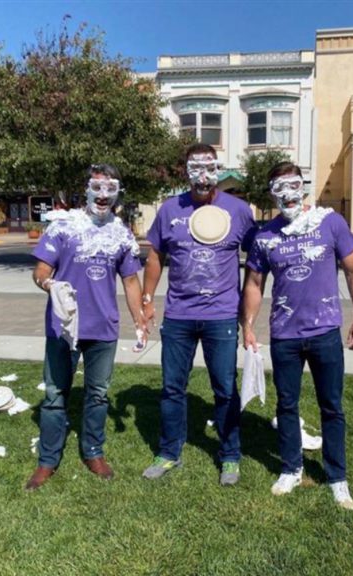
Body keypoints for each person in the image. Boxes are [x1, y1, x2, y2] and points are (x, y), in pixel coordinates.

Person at [241, 161, 353, 508]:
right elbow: (253, 283)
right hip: (285, 335)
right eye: (279, 189)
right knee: (287, 404)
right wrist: (247, 325)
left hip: (326, 330)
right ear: (271, 195)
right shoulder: (265, 235)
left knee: (332, 406)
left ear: (304, 187)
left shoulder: (330, 223)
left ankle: (337, 476)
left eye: (292, 186)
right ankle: (291, 467)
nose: (287, 195)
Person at [141, 143, 257, 486]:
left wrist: (247, 317)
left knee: (224, 388)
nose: (203, 176)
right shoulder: (168, 210)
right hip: (178, 315)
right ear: (186, 171)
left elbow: (256, 263)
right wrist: (148, 299)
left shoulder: (238, 210)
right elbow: (154, 258)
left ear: (219, 169)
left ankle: (230, 455)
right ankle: (168, 452)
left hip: (221, 315)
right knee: (172, 388)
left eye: (209, 168)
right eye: (196, 168)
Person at [25, 164, 146, 490]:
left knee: (98, 394)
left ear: (118, 193)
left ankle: (93, 451)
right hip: (63, 327)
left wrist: (140, 319)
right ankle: (48, 460)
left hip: (103, 328)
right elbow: (40, 270)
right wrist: (50, 285)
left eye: (110, 189)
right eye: (97, 188)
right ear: (86, 190)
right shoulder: (63, 227)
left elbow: (131, 280)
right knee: (53, 395)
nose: (103, 195)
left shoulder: (121, 233)